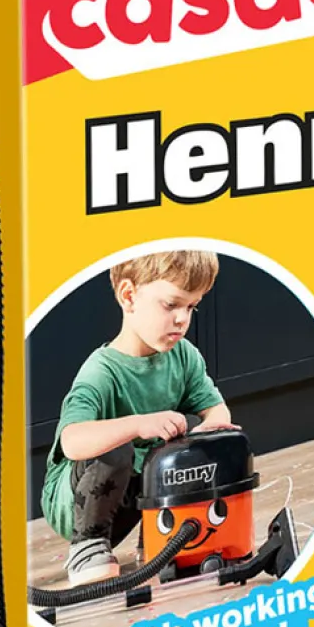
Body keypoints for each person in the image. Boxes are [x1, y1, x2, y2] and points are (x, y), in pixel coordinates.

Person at [40, 250, 233, 585]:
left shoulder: (184, 356)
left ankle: (161, 535)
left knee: (189, 435)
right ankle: (87, 546)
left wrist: (206, 434)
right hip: (76, 500)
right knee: (117, 445)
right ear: (128, 296)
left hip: (132, 490)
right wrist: (139, 424)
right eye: (171, 304)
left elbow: (217, 410)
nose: (182, 319)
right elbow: (72, 441)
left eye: (191, 307)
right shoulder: (101, 372)